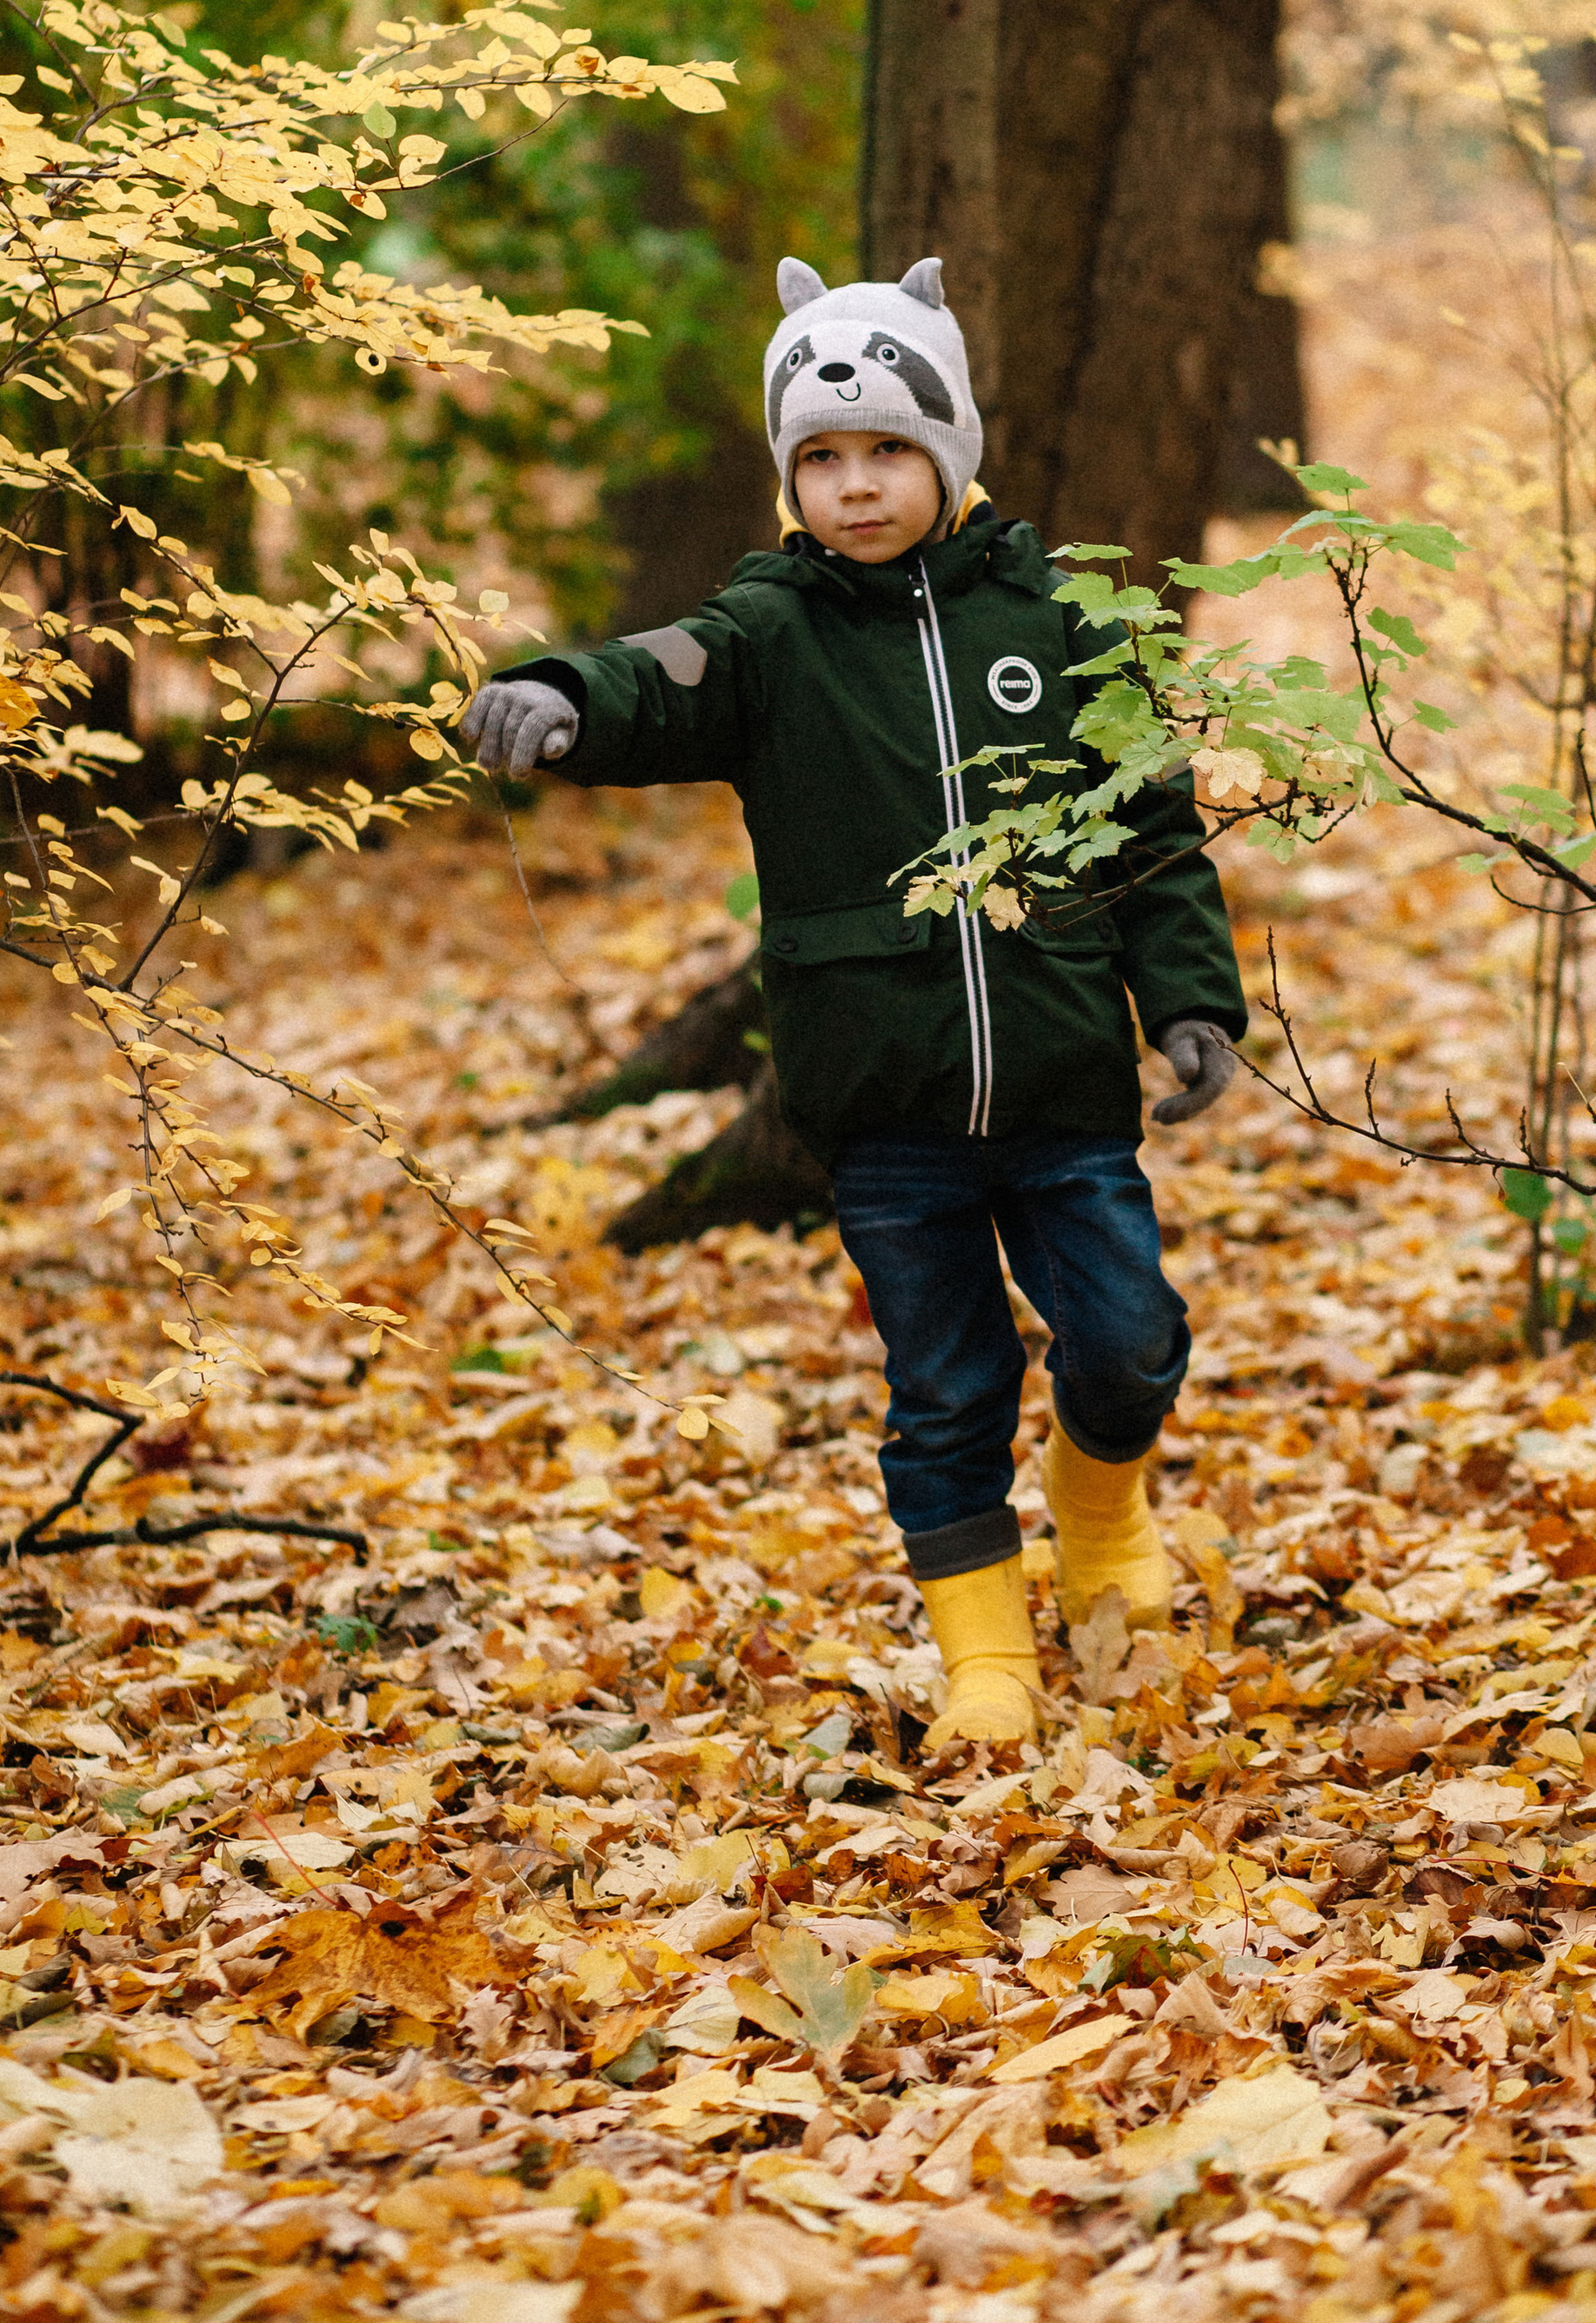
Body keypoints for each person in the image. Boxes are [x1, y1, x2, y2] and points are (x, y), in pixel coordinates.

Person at [459, 256, 1246, 1747]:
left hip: (1065, 1080)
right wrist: (562, 691)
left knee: (1128, 1338)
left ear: (949, 455)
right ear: (789, 479)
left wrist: (1188, 1004)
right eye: (822, 458)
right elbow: (662, 672)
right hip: (880, 1108)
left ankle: (1100, 1503)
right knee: (945, 1389)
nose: (858, 485)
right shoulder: (775, 630)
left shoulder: (1060, 622)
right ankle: (988, 1663)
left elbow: (1150, 823)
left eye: (888, 448)